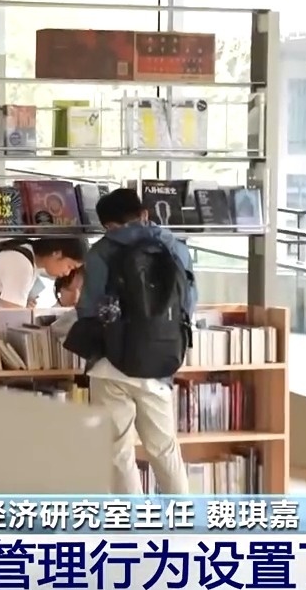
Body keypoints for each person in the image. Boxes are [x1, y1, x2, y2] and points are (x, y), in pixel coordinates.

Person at [73, 188, 196, 495]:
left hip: (111, 364)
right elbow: (188, 303)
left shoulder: (101, 252)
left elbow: (89, 309)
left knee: (118, 451)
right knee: (165, 449)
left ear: (107, 225)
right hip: (160, 362)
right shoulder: (175, 248)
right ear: (144, 214)